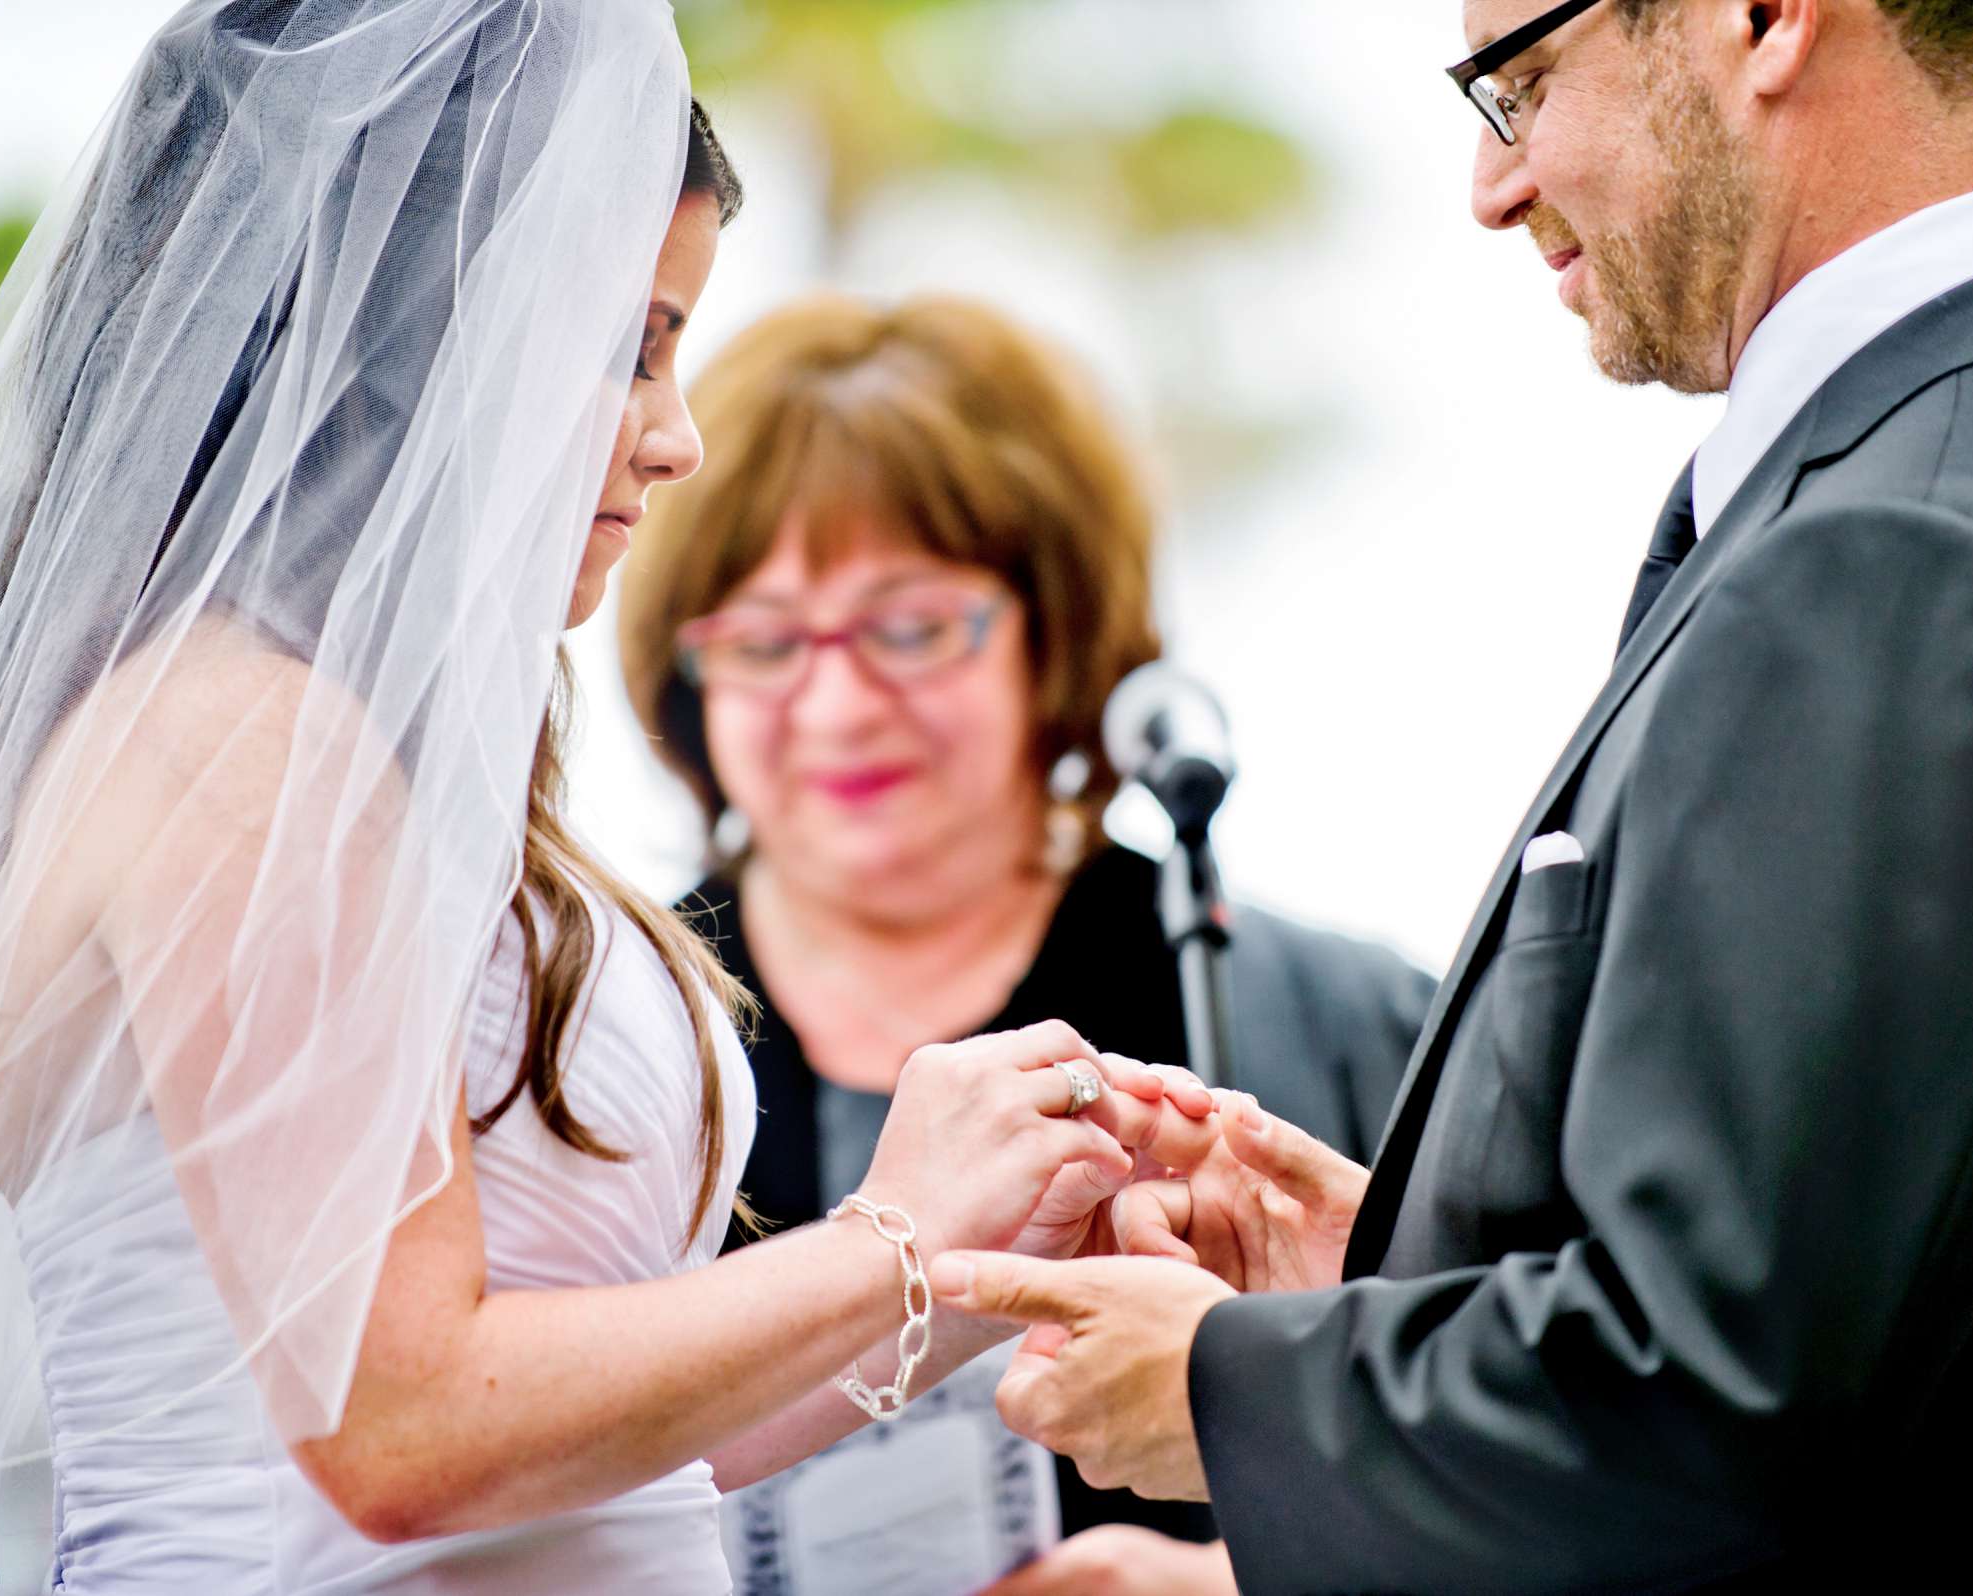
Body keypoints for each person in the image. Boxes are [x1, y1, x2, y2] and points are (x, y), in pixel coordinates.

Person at [0, 6, 1226, 1593]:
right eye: (627, 347)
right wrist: (895, 1235)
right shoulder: (222, 740)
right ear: (411, 332)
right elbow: (402, 1436)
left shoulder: (366, 754)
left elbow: (618, 1460)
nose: (678, 436)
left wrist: (995, 1258)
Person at [928, 1, 1973, 1589]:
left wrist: (1219, 1393)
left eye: (1523, 81)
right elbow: (1908, 1272)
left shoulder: (1898, 556)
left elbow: (1713, 1420)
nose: (1492, 187)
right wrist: (1401, 1268)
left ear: (1764, 19)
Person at [613, 293, 1433, 1594]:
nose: (834, 704)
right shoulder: (599, 1019)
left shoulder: (1326, 1016)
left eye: (908, 627)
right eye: (763, 643)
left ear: (1053, 638)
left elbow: (1563, 1471)